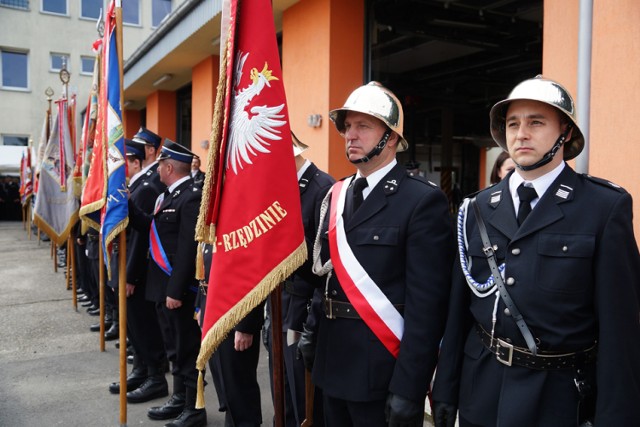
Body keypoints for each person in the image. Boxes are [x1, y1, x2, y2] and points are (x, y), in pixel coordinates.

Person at [432, 75, 640, 427]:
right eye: (513, 123)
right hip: (481, 391)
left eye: (536, 122)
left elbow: (620, 330)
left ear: (566, 133)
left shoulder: (603, 208)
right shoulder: (477, 207)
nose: (521, 133)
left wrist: (616, 416)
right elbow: (458, 315)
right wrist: (445, 392)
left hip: (557, 400)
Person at [297, 81, 454, 427]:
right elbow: (326, 275)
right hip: (331, 361)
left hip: (381, 370)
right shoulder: (336, 195)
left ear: (391, 137)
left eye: (363, 126)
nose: (350, 135)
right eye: (347, 126)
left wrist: (409, 388)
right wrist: (312, 330)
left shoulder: (421, 201)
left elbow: (426, 308)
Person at [128, 139, 206, 427]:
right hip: (162, 288)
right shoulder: (168, 196)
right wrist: (126, 205)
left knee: (187, 350)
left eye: (161, 164)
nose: (157, 168)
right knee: (174, 348)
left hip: (179, 291)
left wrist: (175, 290)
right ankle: (178, 399)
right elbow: (151, 227)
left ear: (169, 166)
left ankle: (194, 408)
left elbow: (188, 249)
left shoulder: (191, 197)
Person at [264, 133, 334, 427]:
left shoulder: (322, 189)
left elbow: (325, 266)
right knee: (282, 400)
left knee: (305, 404)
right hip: (280, 302)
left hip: (304, 309)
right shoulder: (282, 187)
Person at [108, 139, 169, 404]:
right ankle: (142, 370)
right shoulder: (136, 186)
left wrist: (130, 276)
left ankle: (154, 377)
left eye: (124, 164)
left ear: (135, 162)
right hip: (128, 267)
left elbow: (139, 238)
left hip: (137, 271)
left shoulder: (144, 189)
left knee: (143, 327)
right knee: (135, 326)